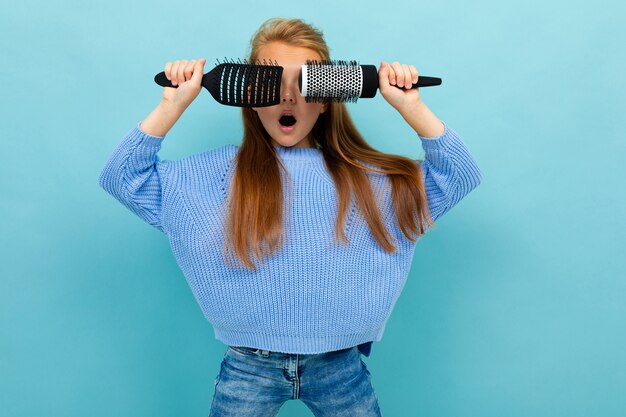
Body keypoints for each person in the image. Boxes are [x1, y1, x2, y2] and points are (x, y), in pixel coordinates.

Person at [98, 16, 482, 417]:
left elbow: (458, 174)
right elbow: (122, 177)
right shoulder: (213, 177)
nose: (288, 99)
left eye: (305, 85)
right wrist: (171, 104)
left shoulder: (373, 183)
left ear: (326, 97)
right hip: (249, 366)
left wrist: (412, 105)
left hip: (340, 366)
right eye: (270, 84)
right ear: (249, 95)